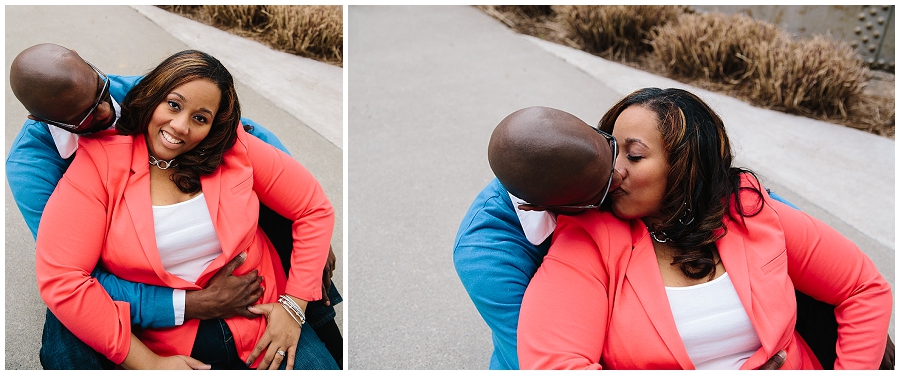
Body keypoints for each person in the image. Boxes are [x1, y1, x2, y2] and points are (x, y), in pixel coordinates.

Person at [7, 43, 342, 369]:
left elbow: (253, 144)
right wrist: (187, 308)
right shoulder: (36, 167)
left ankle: (322, 331)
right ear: (40, 118)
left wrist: (298, 284)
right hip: (139, 286)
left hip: (256, 305)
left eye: (101, 94)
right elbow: (70, 272)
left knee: (299, 249)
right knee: (66, 332)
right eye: (86, 117)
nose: (106, 113)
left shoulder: (147, 93)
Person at [516, 88, 892, 369]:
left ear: (685, 164)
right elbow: (555, 364)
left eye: (634, 155)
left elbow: (863, 288)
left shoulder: (746, 209)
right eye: (614, 151)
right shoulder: (590, 238)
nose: (615, 171)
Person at [455, 106, 798, 370]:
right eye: (603, 191)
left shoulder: (576, 148)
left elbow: (726, 195)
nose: (621, 176)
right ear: (542, 206)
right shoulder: (485, 258)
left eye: (621, 153)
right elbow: (544, 357)